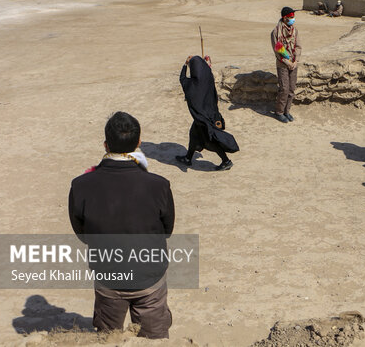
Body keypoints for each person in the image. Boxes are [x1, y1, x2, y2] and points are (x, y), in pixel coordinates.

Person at [68, 112, 175, 339]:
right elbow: (167, 230)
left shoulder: (80, 185)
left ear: (106, 145)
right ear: (138, 144)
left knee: (108, 337)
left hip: (108, 276)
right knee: (154, 338)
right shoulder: (159, 185)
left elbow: (83, 234)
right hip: (149, 277)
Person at [176, 55, 239, 171]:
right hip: (211, 114)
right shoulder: (208, 77)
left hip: (203, 118)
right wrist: (205, 64)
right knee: (193, 134)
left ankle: (226, 161)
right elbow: (206, 71)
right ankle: (188, 158)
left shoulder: (192, 85)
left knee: (210, 141)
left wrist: (185, 65)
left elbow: (182, 79)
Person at [271, 6, 302, 123]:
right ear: (284, 18)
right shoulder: (276, 32)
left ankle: (286, 111)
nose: (293, 19)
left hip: (293, 64)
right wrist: (287, 62)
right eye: (290, 17)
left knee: (292, 89)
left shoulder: (295, 31)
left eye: (293, 17)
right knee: (284, 89)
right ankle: (279, 112)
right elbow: (277, 50)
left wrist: (295, 61)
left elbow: (298, 46)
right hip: (283, 64)